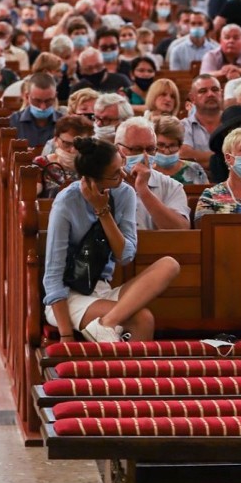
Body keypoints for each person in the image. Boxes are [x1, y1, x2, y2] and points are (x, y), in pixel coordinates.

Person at [43, 136, 180, 344]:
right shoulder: (66, 203)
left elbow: (125, 256)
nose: (123, 175)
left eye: (122, 165)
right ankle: (122, 375)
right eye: (115, 174)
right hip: (70, 296)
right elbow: (53, 276)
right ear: (91, 179)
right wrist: (65, 334)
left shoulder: (124, 193)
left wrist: (102, 211)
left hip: (102, 289)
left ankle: (105, 325)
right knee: (142, 319)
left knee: (170, 265)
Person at [114, 117, 190, 229]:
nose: (145, 156)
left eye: (150, 149)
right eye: (137, 149)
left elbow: (181, 231)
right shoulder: (104, 183)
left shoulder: (171, 186)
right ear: (118, 149)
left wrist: (143, 190)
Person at [33, 114, 94, 199]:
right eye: (67, 143)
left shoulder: (95, 165)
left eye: (79, 144)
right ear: (56, 139)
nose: (73, 150)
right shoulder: (41, 164)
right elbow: (30, 194)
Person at [179, 74, 224, 167]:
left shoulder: (235, 122)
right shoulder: (182, 126)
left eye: (215, 89)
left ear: (221, 93)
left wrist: (199, 156)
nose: (210, 94)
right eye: (203, 91)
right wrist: (225, 157)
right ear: (192, 98)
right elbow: (185, 156)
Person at [8, 73, 63, 149]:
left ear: (55, 96)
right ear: (27, 97)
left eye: (48, 101)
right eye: (37, 101)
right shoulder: (13, 121)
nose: (43, 107)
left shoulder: (64, 123)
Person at [150, 115, 208, 186]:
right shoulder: (147, 172)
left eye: (172, 145)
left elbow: (207, 196)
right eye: (161, 145)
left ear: (180, 145)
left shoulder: (195, 169)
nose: (167, 151)